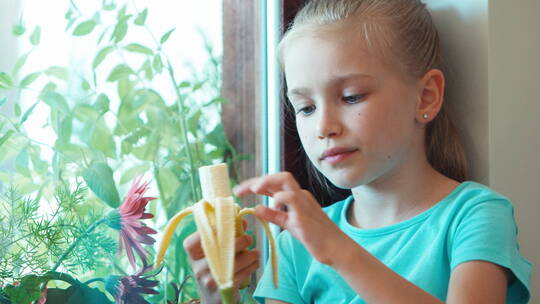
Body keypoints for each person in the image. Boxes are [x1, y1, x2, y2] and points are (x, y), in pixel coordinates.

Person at [183, 0, 532, 303]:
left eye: (351, 97)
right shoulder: (295, 248)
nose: (323, 127)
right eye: (305, 108)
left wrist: (338, 250)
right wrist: (219, 295)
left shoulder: (475, 216)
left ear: (426, 96)